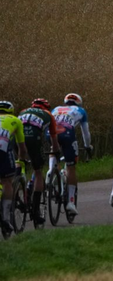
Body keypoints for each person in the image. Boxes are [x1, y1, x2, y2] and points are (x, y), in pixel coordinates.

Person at [17, 99, 60, 228]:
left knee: (19, 161)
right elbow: (53, 138)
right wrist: (56, 151)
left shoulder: (23, 111)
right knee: (38, 171)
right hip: (33, 140)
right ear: (46, 107)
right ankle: (35, 211)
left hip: (16, 139)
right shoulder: (48, 115)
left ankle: (18, 185)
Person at [51, 93, 91, 216]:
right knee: (71, 167)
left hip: (51, 134)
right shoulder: (81, 111)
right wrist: (88, 146)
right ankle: (71, 202)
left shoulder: (56, 109)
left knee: (54, 148)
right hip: (67, 135)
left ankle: (51, 171)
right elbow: (86, 133)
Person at [0, 101, 30, 237]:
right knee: (7, 181)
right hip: (2, 150)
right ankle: (6, 218)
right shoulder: (15, 120)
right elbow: (21, 147)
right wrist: (21, 160)